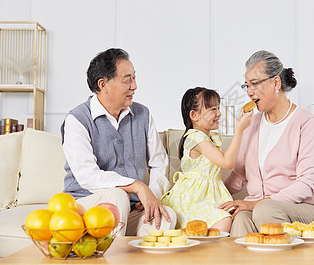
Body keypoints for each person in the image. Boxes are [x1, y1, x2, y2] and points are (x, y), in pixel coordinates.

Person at [61, 48, 176, 236]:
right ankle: (113, 258)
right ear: (103, 84)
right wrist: (137, 186)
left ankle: (126, 252)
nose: (135, 86)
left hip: (129, 208)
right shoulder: (77, 119)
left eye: (134, 78)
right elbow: (87, 175)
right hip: (85, 207)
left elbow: (159, 162)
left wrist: (151, 195)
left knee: (165, 217)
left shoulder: (143, 114)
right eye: (127, 79)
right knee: (117, 195)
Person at [218, 50, 314, 237]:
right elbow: (238, 175)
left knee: (264, 210)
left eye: (254, 84)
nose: (249, 92)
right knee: (241, 218)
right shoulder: (251, 123)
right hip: (260, 207)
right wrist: (211, 197)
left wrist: (257, 204)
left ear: (275, 83)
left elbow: (306, 183)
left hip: (302, 207)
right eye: (246, 86)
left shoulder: (306, 122)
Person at [161, 87, 253, 232]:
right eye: (212, 109)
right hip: (193, 198)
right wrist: (239, 129)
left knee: (231, 216)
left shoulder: (211, 138)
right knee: (223, 220)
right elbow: (227, 162)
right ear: (194, 115)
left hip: (209, 195)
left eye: (218, 108)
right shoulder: (196, 137)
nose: (219, 113)